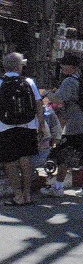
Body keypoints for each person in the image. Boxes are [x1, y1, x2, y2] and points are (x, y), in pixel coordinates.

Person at [40, 53, 83, 197]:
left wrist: (47, 93)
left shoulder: (68, 82)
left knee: (63, 157)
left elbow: (58, 99)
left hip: (76, 127)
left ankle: (58, 187)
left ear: (71, 67)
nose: (61, 67)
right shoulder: (82, 81)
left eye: (64, 65)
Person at [0, 52, 46, 206]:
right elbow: (39, 105)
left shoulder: (1, 83)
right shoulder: (28, 82)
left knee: (10, 162)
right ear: (19, 67)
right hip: (28, 126)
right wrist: (41, 125)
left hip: (5, 127)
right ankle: (27, 195)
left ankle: (17, 195)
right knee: (25, 161)